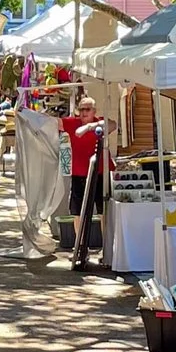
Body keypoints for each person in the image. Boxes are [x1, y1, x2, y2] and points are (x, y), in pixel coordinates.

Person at [60, 95, 107, 272]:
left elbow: (112, 125)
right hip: (79, 172)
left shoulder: (99, 122)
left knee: (103, 211)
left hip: (100, 172)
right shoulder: (72, 123)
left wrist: (90, 126)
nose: (84, 112)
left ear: (94, 111)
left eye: (88, 109)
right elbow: (52, 123)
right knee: (77, 211)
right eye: (81, 109)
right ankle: (80, 246)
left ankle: (106, 247)